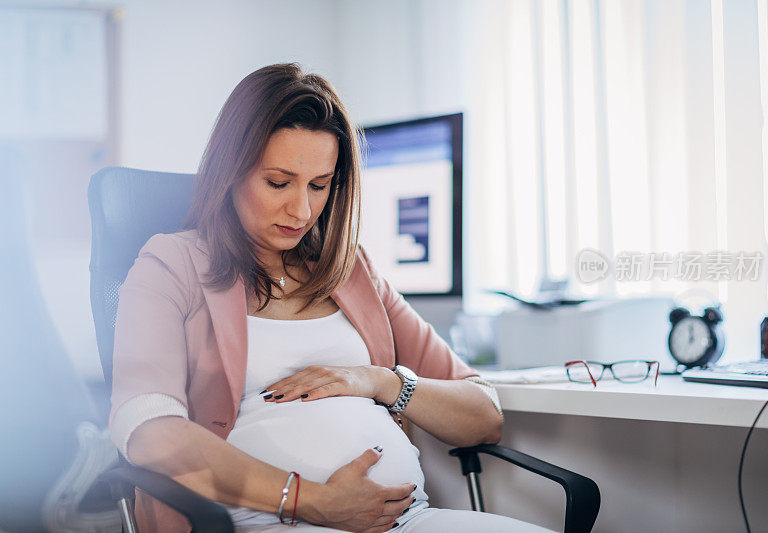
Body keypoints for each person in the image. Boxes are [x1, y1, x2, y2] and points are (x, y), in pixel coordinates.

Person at [109, 63, 551, 533]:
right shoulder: (172, 263)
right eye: (278, 182)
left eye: (319, 185)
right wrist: (308, 500)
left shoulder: (350, 269)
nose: (301, 210)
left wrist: (379, 382)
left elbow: (483, 416)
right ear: (230, 172)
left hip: (407, 522)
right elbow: (148, 431)